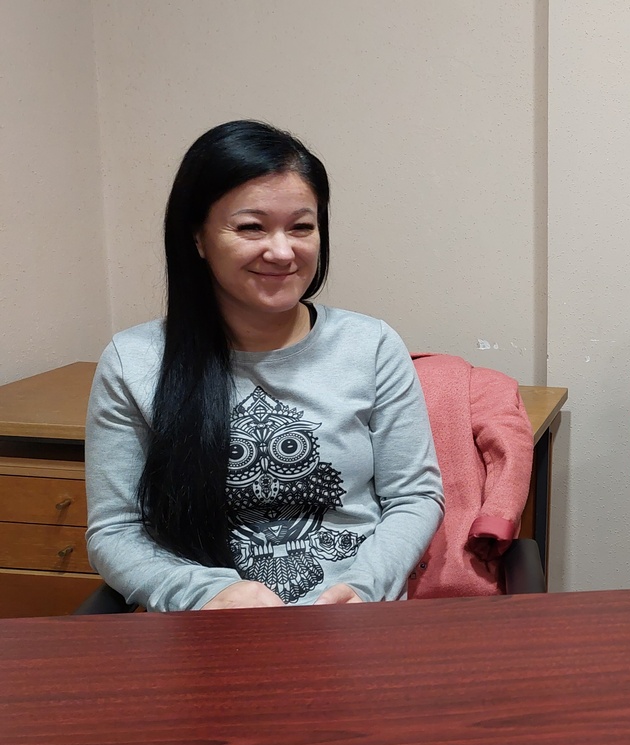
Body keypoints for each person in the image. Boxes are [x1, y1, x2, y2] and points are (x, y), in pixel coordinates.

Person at [85, 120, 444, 611]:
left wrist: (364, 586)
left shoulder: (371, 346)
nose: (281, 251)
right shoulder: (135, 361)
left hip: (354, 622)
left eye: (301, 227)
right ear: (197, 237)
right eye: (251, 227)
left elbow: (415, 497)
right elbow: (115, 530)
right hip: (206, 627)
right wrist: (207, 594)